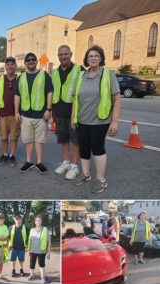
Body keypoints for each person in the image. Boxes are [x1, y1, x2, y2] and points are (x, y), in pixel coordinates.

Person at [72, 45, 121, 193]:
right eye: (90, 56)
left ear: (101, 58)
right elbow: (75, 99)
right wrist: (74, 118)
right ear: (86, 59)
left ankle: (101, 179)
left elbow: (116, 99)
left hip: (100, 120)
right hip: (82, 119)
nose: (93, 58)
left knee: (97, 148)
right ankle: (86, 174)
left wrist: (114, 121)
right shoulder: (81, 75)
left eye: (96, 56)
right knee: (84, 148)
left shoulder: (107, 74)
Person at [14, 52, 53, 174]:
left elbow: (49, 93)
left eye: (33, 60)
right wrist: (16, 112)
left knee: (39, 140)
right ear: (25, 63)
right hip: (25, 115)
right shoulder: (21, 78)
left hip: (41, 115)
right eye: (28, 60)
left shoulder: (44, 75)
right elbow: (17, 95)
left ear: (36, 62)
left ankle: (39, 162)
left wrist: (48, 109)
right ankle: (29, 161)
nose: (31, 62)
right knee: (28, 139)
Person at [52, 45, 83, 179]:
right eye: (61, 54)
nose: (63, 56)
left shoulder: (79, 69)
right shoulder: (54, 72)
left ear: (71, 54)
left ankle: (74, 166)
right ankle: (66, 162)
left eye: (66, 54)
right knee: (63, 138)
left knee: (76, 140)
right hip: (59, 111)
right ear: (58, 56)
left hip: (74, 112)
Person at [0, 57, 20, 167]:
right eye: (8, 64)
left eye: (12, 64)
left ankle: (12, 155)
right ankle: (4, 154)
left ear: (15, 66)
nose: (10, 66)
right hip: (3, 114)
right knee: (4, 137)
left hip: (16, 114)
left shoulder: (20, 79)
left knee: (14, 137)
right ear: (5, 67)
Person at [27, 215, 51, 284]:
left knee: (42, 264)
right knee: (32, 264)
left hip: (41, 251)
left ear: (41, 221)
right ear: (35, 222)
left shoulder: (45, 229)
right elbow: (29, 241)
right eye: (37, 220)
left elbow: (49, 241)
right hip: (32, 250)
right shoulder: (32, 230)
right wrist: (28, 250)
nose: (38, 221)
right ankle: (32, 275)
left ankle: (43, 277)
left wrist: (48, 251)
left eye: (39, 220)